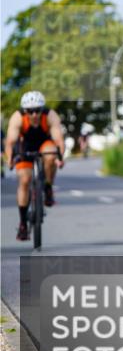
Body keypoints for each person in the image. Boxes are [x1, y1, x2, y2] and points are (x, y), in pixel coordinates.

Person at [4, 91, 65, 241]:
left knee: (51, 156)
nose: (35, 114)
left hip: (45, 143)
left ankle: (48, 187)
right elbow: (10, 142)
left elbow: (59, 140)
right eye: (30, 111)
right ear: (25, 111)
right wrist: (10, 159)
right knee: (24, 180)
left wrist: (60, 158)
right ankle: (23, 223)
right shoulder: (17, 118)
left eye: (38, 110)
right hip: (24, 146)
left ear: (42, 109)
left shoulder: (50, 115)